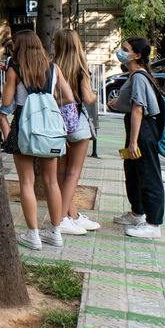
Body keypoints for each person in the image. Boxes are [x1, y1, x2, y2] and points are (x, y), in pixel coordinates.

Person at [0, 30, 75, 250]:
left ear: (19, 46)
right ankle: (55, 232)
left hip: (23, 124)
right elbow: (69, 97)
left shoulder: (15, 68)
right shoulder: (53, 67)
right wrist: (48, 103)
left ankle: (33, 235)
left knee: (26, 182)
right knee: (51, 182)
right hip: (49, 127)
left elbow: (6, 101)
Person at [108, 37, 164, 239]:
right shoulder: (134, 75)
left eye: (126, 49)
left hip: (143, 130)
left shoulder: (139, 76)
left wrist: (133, 142)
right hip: (136, 128)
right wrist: (117, 103)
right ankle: (137, 213)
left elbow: (138, 110)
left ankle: (153, 224)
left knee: (148, 175)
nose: (121, 51)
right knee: (133, 172)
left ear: (137, 55)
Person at [52, 29, 100, 235]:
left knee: (61, 173)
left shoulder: (52, 67)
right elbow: (88, 98)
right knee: (73, 173)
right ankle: (61, 218)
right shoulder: (81, 68)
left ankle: (73, 215)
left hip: (56, 123)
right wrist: (95, 95)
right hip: (77, 123)